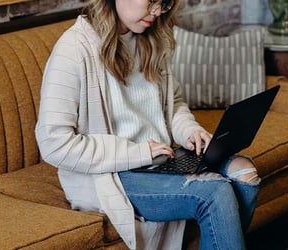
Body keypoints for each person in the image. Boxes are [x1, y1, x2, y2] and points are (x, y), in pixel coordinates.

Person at [35, 0, 260, 249]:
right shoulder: (75, 49)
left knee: (244, 171)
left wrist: (189, 131)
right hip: (110, 175)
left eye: (164, 3)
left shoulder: (150, 38)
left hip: (160, 159)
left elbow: (172, 103)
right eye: (151, 1)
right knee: (214, 192)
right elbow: (53, 143)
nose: (157, 12)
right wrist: (139, 152)